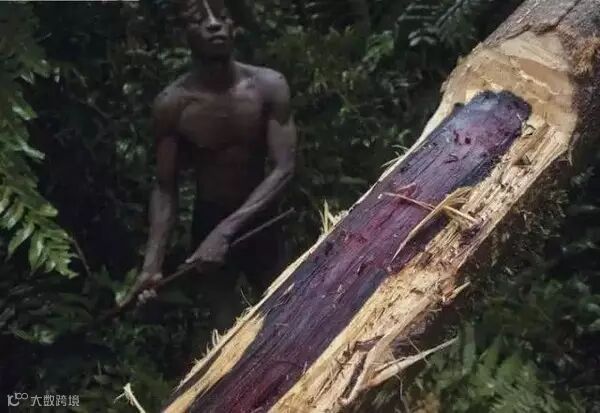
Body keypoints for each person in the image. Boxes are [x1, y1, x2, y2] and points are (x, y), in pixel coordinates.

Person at [133, 0, 297, 330]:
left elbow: (284, 168)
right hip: (208, 220)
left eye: (222, 17)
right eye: (199, 19)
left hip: (262, 221)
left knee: (287, 318)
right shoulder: (172, 105)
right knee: (225, 332)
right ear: (184, 33)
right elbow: (165, 186)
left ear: (233, 26)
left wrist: (225, 231)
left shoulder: (268, 86)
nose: (213, 24)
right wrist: (152, 265)